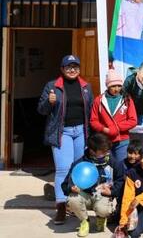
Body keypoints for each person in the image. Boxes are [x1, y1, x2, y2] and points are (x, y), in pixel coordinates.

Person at [37, 54, 93, 225]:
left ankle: (76, 205)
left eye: (75, 66)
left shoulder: (86, 86)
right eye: (68, 67)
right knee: (63, 169)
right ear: (62, 69)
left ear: (79, 69)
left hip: (81, 132)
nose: (72, 69)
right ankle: (61, 206)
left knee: (78, 170)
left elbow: (90, 111)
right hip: (63, 132)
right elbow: (41, 109)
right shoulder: (52, 86)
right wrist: (49, 101)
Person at [63, 133, 123, 237]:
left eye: (108, 150)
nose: (107, 153)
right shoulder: (79, 164)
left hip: (102, 196)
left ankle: (101, 218)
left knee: (104, 210)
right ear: (92, 151)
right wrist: (71, 188)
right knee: (72, 199)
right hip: (84, 195)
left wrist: (112, 192)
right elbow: (64, 185)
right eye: (103, 151)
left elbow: (120, 180)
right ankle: (84, 221)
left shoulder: (114, 163)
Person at [90, 69, 137, 162]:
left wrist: (117, 128)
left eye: (119, 86)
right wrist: (104, 129)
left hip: (122, 140)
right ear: (108, 86)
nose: (116, 89)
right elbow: (93, 120)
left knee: (121, 167)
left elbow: (133, 120)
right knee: (105, 167)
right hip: (104, 141)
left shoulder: (127, 99)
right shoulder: (98, 100)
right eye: (113, 86)